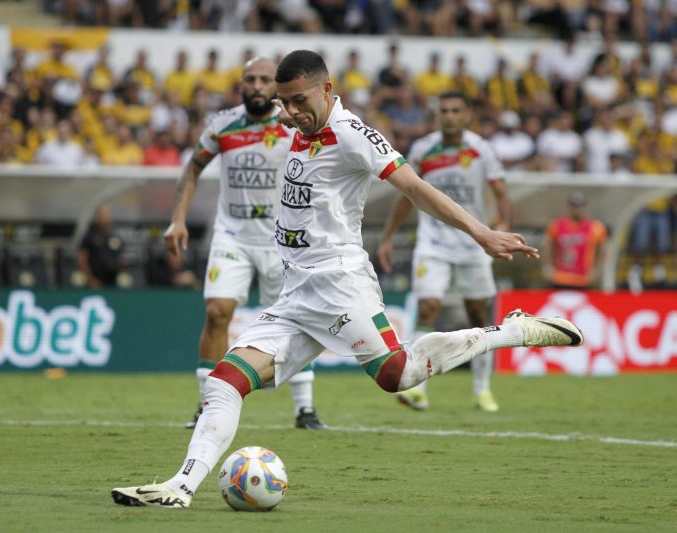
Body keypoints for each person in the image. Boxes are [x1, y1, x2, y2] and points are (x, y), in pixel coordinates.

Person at [111, 49, 583, 509]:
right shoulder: (296, 124)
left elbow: (415, 187)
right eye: (285, 103)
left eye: (300, 101)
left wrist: (482, 233)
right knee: (225, 380)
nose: (292, 112)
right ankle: (180, 487)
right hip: (296, 291)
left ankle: (512, 331)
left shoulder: (352, 133)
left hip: (339, 283)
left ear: (327, 89)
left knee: (398, 376)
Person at [163, 57, 325, 431]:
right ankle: (208, 405)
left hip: (284, 240)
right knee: (218, 311)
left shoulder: (294, 124)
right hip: (232, 235)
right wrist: (177, 219)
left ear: (276, 86)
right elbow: (193, 168)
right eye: (249, 79)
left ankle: (305, 408)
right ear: (241, 85)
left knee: (296, 320)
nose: (256, 86)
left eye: (264, 80)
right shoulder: (223, 124)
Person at [376, 90, 512, 413]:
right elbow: (406, 193)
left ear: (467, 116)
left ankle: (482, 390)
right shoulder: (424, 148)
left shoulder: (481, 150)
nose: (449, 116)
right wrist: (388, 237)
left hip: (472, 243)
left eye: (455, 111)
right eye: (444, 111)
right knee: (428, 307)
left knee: (478, 314)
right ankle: (417, 389)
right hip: (433, 243)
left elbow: (502, 193)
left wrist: (502, 224)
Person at [541, 192, 608, 290]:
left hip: (583, 279)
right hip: (561, 278)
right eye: (574, 206)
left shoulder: (595, 226)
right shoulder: (557, 225)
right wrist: (547, 266)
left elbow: (604, 248)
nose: (577, 210)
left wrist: (596, 270)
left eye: (579, 206)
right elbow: (546, 245)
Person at [77, 205, 124, 289]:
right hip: (95, 282)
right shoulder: (90, 236)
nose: (107, 218)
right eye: (104, 215)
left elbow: (121, 258)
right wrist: (90, 279)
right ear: (97, 217)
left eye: (108, 215)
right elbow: (82, 258)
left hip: (113, 283)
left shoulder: (115, 237)